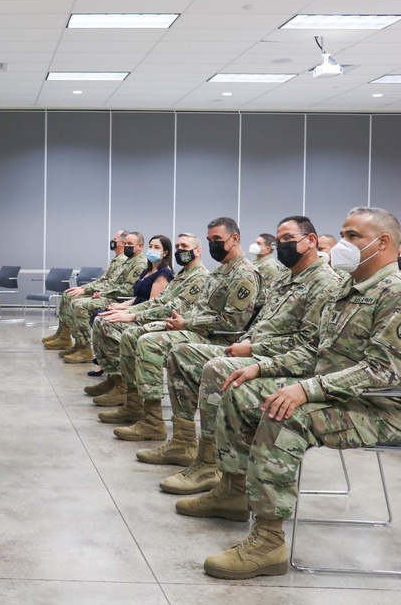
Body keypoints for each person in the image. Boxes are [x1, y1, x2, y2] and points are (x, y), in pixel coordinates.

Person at [177, 207, 401, 580]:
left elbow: (383, 371)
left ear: (384, 243)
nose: (343, 243)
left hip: (379, 405)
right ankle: (232, 490)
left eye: (354, 236)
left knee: (286, 413)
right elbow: (316, 350)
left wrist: (306, 389)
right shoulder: (350, 288)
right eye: (342, 234)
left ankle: (269, 541)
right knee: (241, 388)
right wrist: (261, 368)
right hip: (336, 393)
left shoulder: (393, 293)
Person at [143, 216, 342, 492]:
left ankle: (213, 466)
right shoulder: (286, 277)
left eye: (288, 239)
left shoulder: (326, 283)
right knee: (182, 354)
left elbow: (308, 344)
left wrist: (253, 348)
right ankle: (184, 442)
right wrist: (248, 343)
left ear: (311, 241)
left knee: (215, 369)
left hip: (284, 363)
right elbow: (260, 324)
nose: (280, 244)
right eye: (278, 238)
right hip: (250, 349)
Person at [107, 217, 262, 441]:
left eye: (217, 239)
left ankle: (160, 424)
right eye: (210, 240)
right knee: (135, 333)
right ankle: (139, 407)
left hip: (219, 339)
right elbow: (195, 309)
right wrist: (173, 320)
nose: (213, 245)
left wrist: (186, 323)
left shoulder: (244, 273)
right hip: (199, 329)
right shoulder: (220, 271)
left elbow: (233, 322)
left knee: (149, 341)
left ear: (234, 238)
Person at [88, 234, 208, 405]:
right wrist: (130, 310)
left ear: (197, 251)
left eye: (185, 247)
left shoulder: (199, 276)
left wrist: (133, 315)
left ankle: (136, 400)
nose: (180, 250)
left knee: (129, 334)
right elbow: (158, 301)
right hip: (161, 318)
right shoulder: (184, 274)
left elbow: (172, 308)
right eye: (178, 246)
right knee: (103, 320)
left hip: (178, 324)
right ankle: (118, 382)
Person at [87, 235, 174, 377]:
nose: (152, 249)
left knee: (106, 322)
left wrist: (127, 312)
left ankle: (118, 375)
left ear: (165, 253)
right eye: (151, 246)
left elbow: (152, 304)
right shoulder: (147, 270)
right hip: (135, 308)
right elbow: (137, 296)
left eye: (157, 247)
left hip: (145, 315)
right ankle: (108, 368)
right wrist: (121, 305)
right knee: (100, 317)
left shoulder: (163, 274)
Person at [59, 231, 147, 363]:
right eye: (125, 243)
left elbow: (128, 290)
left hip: (120, 300)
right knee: (74, 299)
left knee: (79, 305)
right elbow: (107, 281)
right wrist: (91, 290)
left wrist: (103, 293)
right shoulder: (127, 261)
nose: (126, 246)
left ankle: (85, 349)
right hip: (111, 295)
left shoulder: (139, 264)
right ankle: (78, 344)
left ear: (140, 246)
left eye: (130, 244)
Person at [43, 230, 127, 350]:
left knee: (77, 303)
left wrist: (87, 290)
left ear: (122, 243)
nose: (112, 241)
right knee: (68, 295)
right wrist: (83, 288)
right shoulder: (116, 259)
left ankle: (82, 346)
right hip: (104, 293)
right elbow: (102, 280)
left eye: (115, 239)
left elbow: (111, 284)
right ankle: (63, 335)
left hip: (113, 297)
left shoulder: (123, 260)